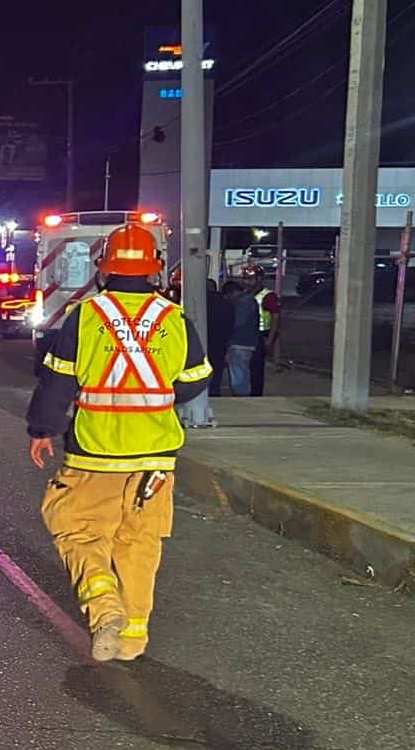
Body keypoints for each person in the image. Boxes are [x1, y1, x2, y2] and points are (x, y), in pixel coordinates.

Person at [26, 223, 212, 662]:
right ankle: (133, 638)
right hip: (156, 457)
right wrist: (155, 395)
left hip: (97, 453)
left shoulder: (87, 316)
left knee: (77, 529)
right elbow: (195, 380)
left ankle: (104, 607)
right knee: (140, 542)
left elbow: (58, 381)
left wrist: (41, 429)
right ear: (156, 269)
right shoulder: (175, 318)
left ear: (103, 267)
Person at [224, 279, 259, 395]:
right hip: (247, 343)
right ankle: (243, 396)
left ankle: (241, 398)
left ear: (231, 293)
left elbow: (237, 322)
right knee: (243, 373)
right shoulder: (249, 300)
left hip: (239, 343)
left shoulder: (243, 303)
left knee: (238, 376)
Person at [205, 277, 234, 396]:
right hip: (221, 341)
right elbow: (231, 321)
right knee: (217, 369)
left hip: (205, 341)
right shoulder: (226, 303)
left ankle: (205, 392)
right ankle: (215, 391)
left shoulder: (200, 301)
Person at [251, 281, 280, 396]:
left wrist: (270, 339)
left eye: (251, 278)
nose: (247, 281)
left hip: (262, 334)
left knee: (257, 369)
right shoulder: (245, 293)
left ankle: (256, 394)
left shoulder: (268, 296)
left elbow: (275, 317)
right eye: (245, 278)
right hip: (249, 334)